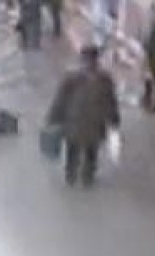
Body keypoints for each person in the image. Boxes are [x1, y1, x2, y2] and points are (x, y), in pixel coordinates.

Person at [46, 45, 121, 188]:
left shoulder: (71, 77)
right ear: (97, 59)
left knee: (72, 149)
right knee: (91, 150)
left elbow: (60, 100)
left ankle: (71, 174)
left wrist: (53, 118)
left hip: (73, 121)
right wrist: (114, 120)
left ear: (82, 58)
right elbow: (111, 102)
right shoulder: (104, 79)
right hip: (95, 122)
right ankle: (88, 176)